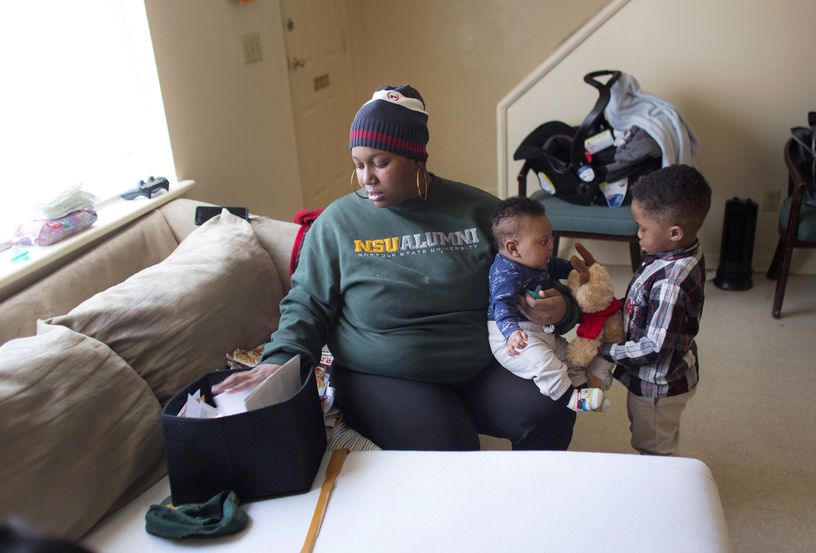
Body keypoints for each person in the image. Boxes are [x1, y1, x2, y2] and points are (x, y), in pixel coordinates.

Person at [212, 84, 581, 450]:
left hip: (481, 363)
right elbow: (308, 303)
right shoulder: (338, 223)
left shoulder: (479, 210)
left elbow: (542, 272)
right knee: (450, 444)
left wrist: (561, 307)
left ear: (416, 158)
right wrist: (278, 362)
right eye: (358, 164)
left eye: (380, 162)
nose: (366, 177)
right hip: (384, 374)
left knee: (552, 409)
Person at [598, 164, 711, 456]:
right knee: (646, 432)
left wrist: (607, 351)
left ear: (674, 232)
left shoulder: (672, 282)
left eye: (643, 227)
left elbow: (654, 348)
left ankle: (662, 490)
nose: (637, 234)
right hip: (656, 378)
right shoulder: (673, 251)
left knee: (654, 448)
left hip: (659, 387)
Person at [487, 196, 604, 412]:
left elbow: (556, 267)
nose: (550, 247)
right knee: (545, 364)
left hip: (541, 332)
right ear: (513, 248)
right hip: (514, 340)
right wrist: (511, 333)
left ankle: (582, 387)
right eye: (543, 242)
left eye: (551, 239)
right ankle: (571, 399)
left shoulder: (536, 259)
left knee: (567, 354)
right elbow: (501, 306)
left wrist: (574, 269)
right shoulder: (506, 273)